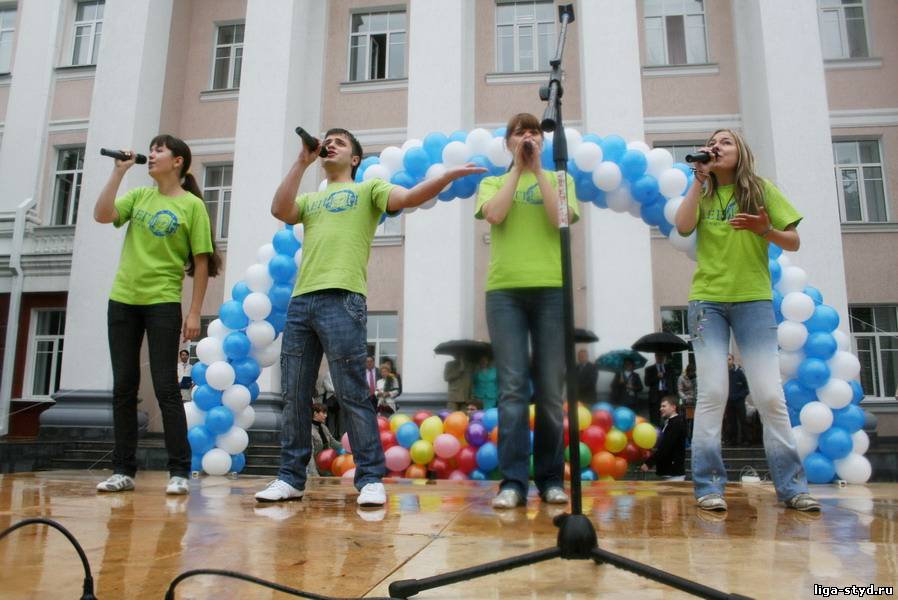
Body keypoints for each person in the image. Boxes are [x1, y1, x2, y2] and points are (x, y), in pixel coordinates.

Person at [256, 127, 484, 506]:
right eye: (328, 141)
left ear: (355, 158)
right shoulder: (311, 199)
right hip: (301, 301)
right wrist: (302, 161)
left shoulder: (369, 190)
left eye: (340, 142)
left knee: (353, 392)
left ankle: (370, 478)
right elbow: (280, 209)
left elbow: (408, 197)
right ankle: (290, 478)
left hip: (343, 298)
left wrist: (444, 177)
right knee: (294, 393)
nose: (331, 145)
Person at [674, 128, 819, 512]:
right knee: (712, 393)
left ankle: (793, 488)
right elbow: (683, 226)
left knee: (769, 395)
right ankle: (708, 486)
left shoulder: (760, 189)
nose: (717, 146)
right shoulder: (703, 192)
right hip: (708, 302)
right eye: (713, 142)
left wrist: (765, 230)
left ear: (741, 151)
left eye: (726, 142)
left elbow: (793, 240)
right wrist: (698, 180)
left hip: (753, 300)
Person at [93, 134, 220, 495]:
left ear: (178, 161)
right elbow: (102, 215)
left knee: (166, 386)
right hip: (123, 300)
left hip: (162, 302)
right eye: (150, 150)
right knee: (124, 386)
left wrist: (194, 313)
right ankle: (123, 470)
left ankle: (179, 471)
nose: (151, 155)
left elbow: (201, 263)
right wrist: (118, 173)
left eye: (159, 150)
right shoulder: (139, 196)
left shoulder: (192, 206)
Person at [476, 112, 578, 509]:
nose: (528, 137)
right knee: (513, 390)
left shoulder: (560, 180)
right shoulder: (492, 182)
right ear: (508, 142)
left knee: (551, 392)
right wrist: (518, 170)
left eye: (534, 132)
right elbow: (495, 214)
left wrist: (537, 172)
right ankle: (513, 483)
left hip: (552, 290)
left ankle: (551, 479)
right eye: (520, 132)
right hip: (505, 294)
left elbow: (560, 219)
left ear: (543, 140)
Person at [641, 396, 687, 481]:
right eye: (660, 406)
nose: (660, 409)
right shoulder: (670, 422)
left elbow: (666, 447)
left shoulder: (676, 423)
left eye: (664, 406)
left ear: (673, 407)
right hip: (668, 472)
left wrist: (649, 463)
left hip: (673, 474)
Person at [308, 403, 343, 478]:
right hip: (317, 468)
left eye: (326, 413)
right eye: (323, 413)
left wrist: (349, 447)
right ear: (315, 413)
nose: (326, 415)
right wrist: (314, 475)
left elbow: (333, 443)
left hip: (328, 466)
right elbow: (310, 455)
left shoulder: (323, 427)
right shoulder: (309, 431)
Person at [644, 352, 679, 426]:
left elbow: (674, 383)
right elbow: (647, 383)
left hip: (667, 395)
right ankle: (656, 432)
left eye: (662, 356)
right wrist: (657, 377)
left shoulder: (670, 368)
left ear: (665, 357)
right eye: (658, 356)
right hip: (655, 396)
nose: (660, 358)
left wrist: (676, 396)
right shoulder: (649, 369)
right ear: (655, 356)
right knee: (655, 418)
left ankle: (668, 431)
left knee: (669, 417)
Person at [725, 354, 749, 446]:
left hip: (739, 401)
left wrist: (740, 396)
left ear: (733, 360)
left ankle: (746, 440)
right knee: (731, 421)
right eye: (726, 360)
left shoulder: (739, 372)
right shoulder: (724, 373)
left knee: (743, 420)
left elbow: (746, 388)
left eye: (729, 359)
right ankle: (733, 440)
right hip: (729, 402)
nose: (728, 361)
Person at [677, 360, 697, 442]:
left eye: (693, 372)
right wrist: (685, 398)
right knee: (684, 420)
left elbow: (696, 390)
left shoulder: (696, 378)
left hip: (693, 401)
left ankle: (692, 437)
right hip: (683, 400)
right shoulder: (681, 378)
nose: (692, 374)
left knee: (693, 421)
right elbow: (680, 390)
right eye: (691, 372)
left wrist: (694, 398)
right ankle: (684, 437)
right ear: (688, 371)